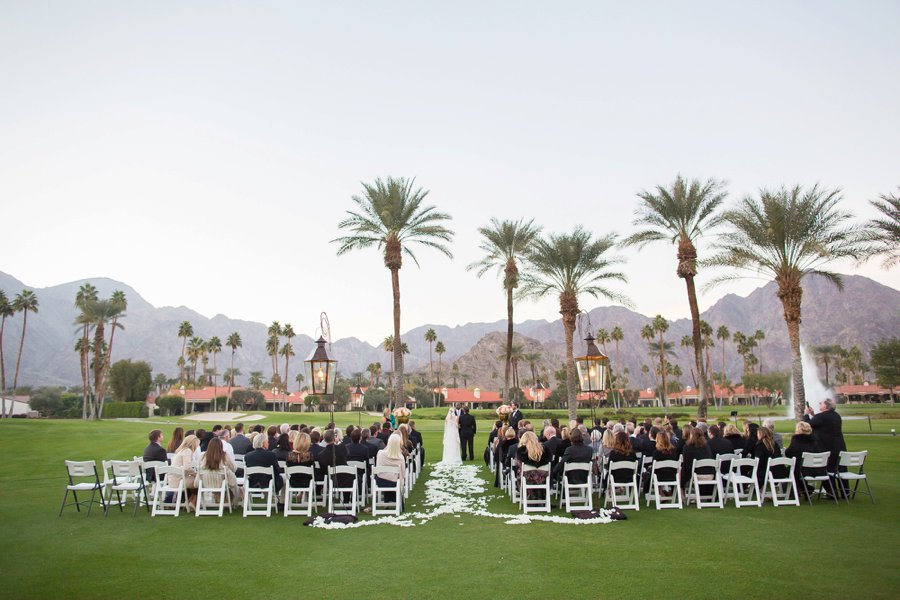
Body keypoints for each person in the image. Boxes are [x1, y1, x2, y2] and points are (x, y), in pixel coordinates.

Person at [804, 399, 846, 473]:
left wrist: (806, 414)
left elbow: (807, 425)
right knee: (840, 470)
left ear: (826, 406)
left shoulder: (821, 416)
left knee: (828, 470)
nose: (820, 403)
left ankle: (829, 484)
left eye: (821, 403)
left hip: (826, 447)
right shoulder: (836, 415)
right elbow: (822, 422)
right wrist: (813, 414)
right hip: (839, 446)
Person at [785, 421, 823, 492]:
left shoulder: (797, 439)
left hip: (801, 470)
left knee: (788, 470)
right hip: (816, 469)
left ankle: (797, 491)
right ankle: (806, 489)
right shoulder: (814, 440)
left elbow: (789, 453)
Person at [199, 437, 238, 504]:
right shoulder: (225, 455)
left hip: (206, 482)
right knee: (230, 482)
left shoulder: (203, 456)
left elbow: (198, 468)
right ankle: (227, 500)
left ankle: (222, 499)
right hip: (220, 483)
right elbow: (234, 468)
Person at [170, 435, 200, 511]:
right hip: (179, 481)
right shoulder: (187, 451)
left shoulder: (181, 451)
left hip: (173, 479)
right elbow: (187, 468)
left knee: (195, 481)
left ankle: (189, 501)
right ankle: (193, 502)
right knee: (199, 481)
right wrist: (196, 474)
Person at [375, 433, 406, 505]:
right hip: (394, 482)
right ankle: (391, 499)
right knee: (395, 478)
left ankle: (388, 500)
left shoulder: (380, 453)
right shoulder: (400, 458)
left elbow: (378, 467)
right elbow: (402, 474)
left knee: (387, 476)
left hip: (380, 481)